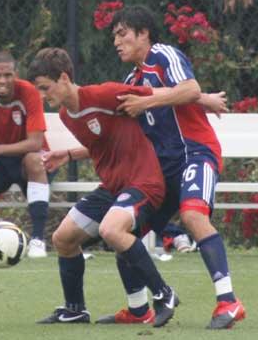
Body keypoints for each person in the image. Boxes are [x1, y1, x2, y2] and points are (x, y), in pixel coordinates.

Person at [96, 5, 246, 330]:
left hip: (195, 153)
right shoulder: (131, 79)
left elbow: (189, 88)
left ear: (144, 34)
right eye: (114, 37)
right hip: (160, 171)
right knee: (124, 233)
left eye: (122, 34)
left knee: (193, 216)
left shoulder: (164, 55)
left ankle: (229, 302)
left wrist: (182, 98)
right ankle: (138, 310)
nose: (116, 42)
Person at [27, 47, 178, 328]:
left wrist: (200, 97)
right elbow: (101, 142)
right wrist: (69, 153)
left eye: (45, 88)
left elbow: (159, 95)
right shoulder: (66, 115)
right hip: (113, 187)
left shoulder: (103, 94)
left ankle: (164, 294)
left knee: (111, 230)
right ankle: (75, 309)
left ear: (63, 78)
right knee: (63, 238)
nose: (42, 96)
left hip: (142, 181)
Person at [0, 51, 51, 258]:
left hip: (31, 160)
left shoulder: (28, 92)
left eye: (7, 75)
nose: (2, 80)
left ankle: (38, 241)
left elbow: (35, 143)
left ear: (16, 74)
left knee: (33, 160)